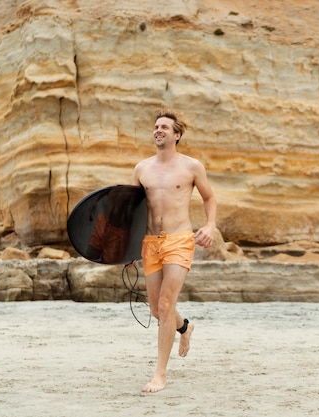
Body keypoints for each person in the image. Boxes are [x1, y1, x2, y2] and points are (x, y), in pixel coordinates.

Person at [132, 108, 217, 393]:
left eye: (165, 127)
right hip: (150, 243)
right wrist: (126, 249)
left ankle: (160, 374)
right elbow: (131, 211)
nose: (158, 130)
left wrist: (210, 225)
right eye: (156, 126)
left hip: (180, 240)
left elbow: (209, 197)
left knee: (167, 305)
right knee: (157, 309)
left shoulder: (192, 167)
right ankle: (185, 327)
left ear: (177, 135)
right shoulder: (141, 169)